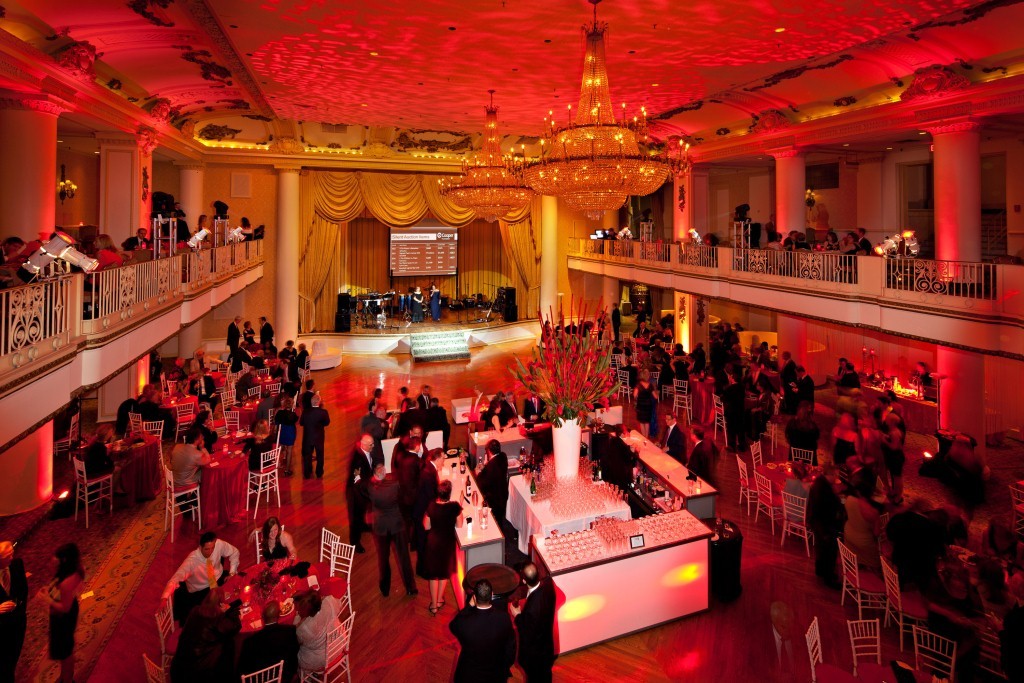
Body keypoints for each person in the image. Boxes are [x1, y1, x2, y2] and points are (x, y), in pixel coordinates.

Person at [163, 532, 240, 624]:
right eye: (207, 549)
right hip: (201, 591)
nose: (211, 552)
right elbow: (176, 578)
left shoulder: (218, 544)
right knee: (211, 618)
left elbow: (235, 552)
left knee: (235, 599)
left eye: (213, 548)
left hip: (218, 579)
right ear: (200, 547)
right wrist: (164, 598)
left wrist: (231, 573)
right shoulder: (191, 561)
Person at [450, 579, 517, 683]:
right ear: (492, 595)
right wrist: (505, 666)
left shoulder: (465, 623)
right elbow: (511, 646)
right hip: (495, 674)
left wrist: (469, 607)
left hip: (469, 675)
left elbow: (453, 626)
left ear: (474, 597)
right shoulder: (503, 618)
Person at [170, 588, 241, 683]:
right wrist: (231, 612)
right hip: (196, 674)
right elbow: (235, 626)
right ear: (220, 603)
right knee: (229, 644)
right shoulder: (216, 619)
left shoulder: (195, 610)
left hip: (178, 666)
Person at [367, 462, 417, 596]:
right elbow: (403, 500)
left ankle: (385, 589)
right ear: (383, 473)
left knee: (383, 559)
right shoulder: (394, 486)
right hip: (397, 525)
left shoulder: (370, 488)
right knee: (404, 557)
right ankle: (411, 588)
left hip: (381, 527)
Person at [40, 543, 84, 683]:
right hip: (64, 611)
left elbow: (65, 608)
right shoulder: (71, 569)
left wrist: (47, 599)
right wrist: (50, 590)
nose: (53, 558)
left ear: (64, 560)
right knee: (64, 647)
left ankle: (67, 678)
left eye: (57, 557)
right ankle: (64, 676)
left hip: (64, 616)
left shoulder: (67, 581)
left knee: (66, 651)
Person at [418, 480, 463, 615]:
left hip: (433, 544)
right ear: (449, 494)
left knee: (433, 576)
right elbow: (460, 525)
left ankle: (433, 605)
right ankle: (438, 600)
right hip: (447, 543)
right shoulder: (455, 507)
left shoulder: (431, 506)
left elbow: (426, 526)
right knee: (444, 573)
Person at [509, 563, 556, 682]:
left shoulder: (532, 608)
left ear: (524, 581)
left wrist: (517, 615)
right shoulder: (549, 586)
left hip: (535, 656)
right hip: (547, 648)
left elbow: (527, 631)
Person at [236, 600, 298, 682]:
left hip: (258, 680)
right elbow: (294, 654)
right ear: (279, 614)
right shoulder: (290, 631)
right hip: (284, 676)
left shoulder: (249, 642)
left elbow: (242, 669)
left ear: (262, 617)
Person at [806, 466, 843, 589]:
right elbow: (825, 508)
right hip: (824, 524)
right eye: (835, 476)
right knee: (829, 551)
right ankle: (828, 577)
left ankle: (820, 570)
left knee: (821, 548)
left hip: (818, 523)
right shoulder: (822, 488)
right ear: (830, 475)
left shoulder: (819, 483)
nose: (836, 478)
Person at [294, 589, 343, 673]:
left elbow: (299, 643)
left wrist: (297, 618)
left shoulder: (303, 627)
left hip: (322, 658)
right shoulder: (329, 601)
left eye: (299, 609)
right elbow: (339, 605)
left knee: (295, 652)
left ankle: (306, 675)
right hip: (339, 643)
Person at [0, 541, 28, 682]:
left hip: (17, 623)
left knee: (12, 659)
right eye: (8, 556)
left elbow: (23, 591)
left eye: (12, 553)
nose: (12, 557)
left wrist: (17, 607)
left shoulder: (17, 564)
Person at [347, 434, 380, 553]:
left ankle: (363, 525)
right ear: (364, 445)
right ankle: (355, 542)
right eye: (371, 444)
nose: (373, 446)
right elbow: (356, 478)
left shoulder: (364, 451)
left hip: (363, 491)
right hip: (357, 493)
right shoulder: (358, 459)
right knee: (355, 518)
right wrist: (365, 489)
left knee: (362, 512)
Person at [843, 476, 882, 570]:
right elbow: (876, 533)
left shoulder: (849, 499)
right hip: (864, 542)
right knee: (877, 562)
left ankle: (857, 567)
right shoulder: (873, 512)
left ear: (858, 492)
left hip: (848, 535)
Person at [476, 440, 509, 524]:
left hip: (494, 500)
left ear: (489, 451)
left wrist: (478, 473)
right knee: (500, 518)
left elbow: (481, 483)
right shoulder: (503, 457)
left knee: (496, 521)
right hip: (503, 494)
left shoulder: (491, 466)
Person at [299, 394, 330, 479]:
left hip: (308, 437)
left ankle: (307, 473)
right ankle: (319, 472)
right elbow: (327, 423)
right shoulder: (323, 412)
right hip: (319, 437)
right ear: (319, 402)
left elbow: (301, 423)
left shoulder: (305, 412)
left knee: (307, 455)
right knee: (320, 455)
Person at [274, 396, 298, 476]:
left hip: (282, 432)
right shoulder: (293, 415)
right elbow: (296, 420)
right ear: (291, 405)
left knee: (281, 448)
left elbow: (276, 422)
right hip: (290, 432)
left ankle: (277, 463)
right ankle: (287, 470)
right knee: (289, 451)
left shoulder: (280, 413)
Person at [633, 370, 658, 438]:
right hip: (648, 406)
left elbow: (634, 395)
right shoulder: (650, 385)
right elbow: (656, 397)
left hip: (640, 406)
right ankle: (646, 437)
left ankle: (643, 436)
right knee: (647, 422)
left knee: (642, 422)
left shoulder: (638, 385)